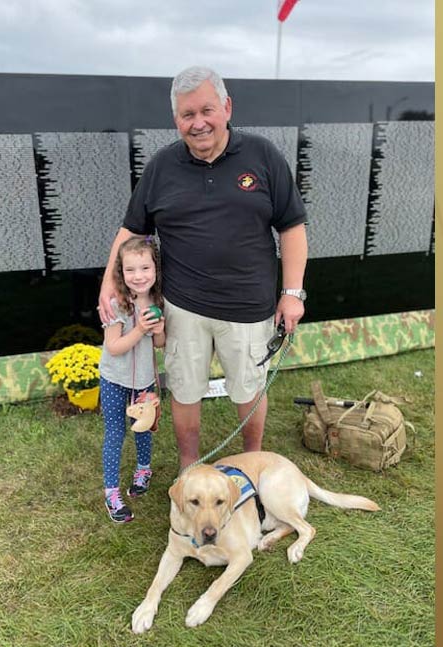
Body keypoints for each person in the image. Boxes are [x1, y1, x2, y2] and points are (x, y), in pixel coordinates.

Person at [98, 65, 308, 471]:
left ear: (226, 107)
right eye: (187, 115)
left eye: (206, 110)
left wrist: (293, 293)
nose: (198, 123)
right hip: (183, 308)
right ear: (176, 119)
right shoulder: (162, 167)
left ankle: (253, 462)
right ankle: (189, 465)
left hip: (249, 306)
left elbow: (292, 227)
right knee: (185, 391)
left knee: (248, 388)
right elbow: (131, 229)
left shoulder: (262, 156)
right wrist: (109, 283)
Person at [99, 235, 166, 523]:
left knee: (144, 425)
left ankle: (143, 469)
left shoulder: (158, 301)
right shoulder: (116, 303)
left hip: (144, 381)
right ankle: (111, 491)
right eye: (130, 270)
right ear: (120, 272)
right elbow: (114, 348)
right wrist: (139, 328)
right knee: (116, 431)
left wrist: (159, 329)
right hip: (115, 378)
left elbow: (160, 343)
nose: (138, 276)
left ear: (155, 269)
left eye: (145, 268)